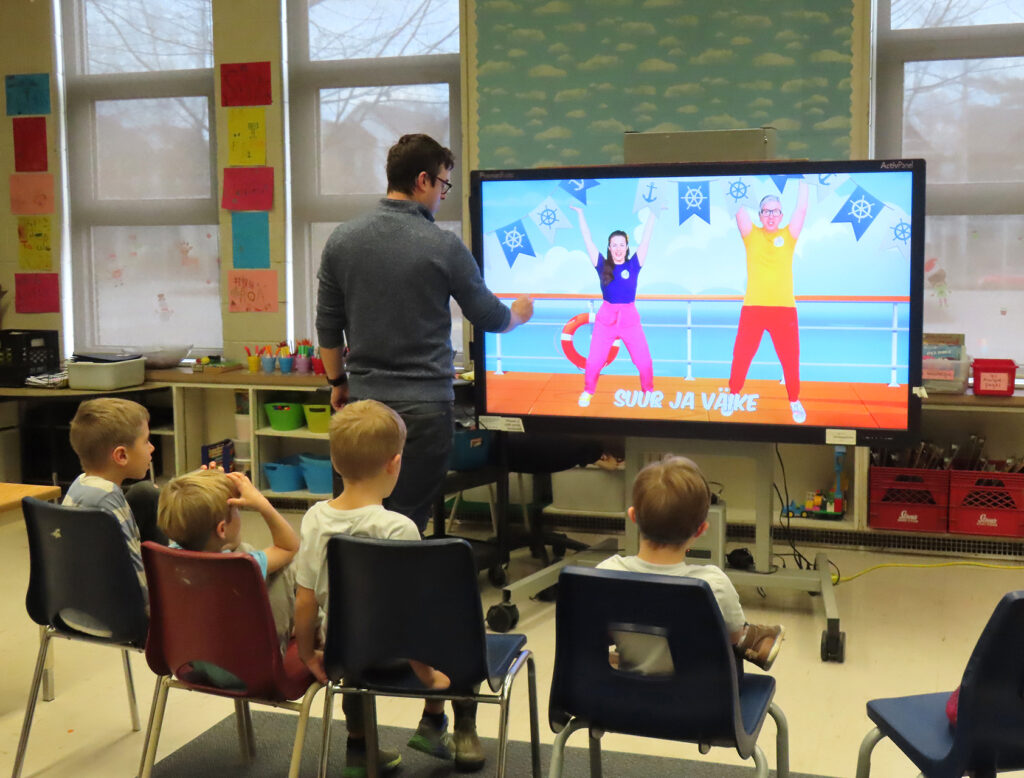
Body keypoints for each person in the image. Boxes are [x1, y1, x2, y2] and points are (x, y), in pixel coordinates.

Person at [316, 132, 533, 535]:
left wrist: (338, 382)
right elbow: (488, 316)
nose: (442, 195)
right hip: (425, 411)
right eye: (443, 184)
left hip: (365, 408)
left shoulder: (342, 240)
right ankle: (399, 576)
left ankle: (356, 577)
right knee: (405, 522)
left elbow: (328, 327)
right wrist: (517, 315)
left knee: (356, 519)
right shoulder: (442, 245)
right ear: (422, 180)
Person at [294, 400, 458, 777]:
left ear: (334, 462)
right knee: (457, 631)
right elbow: (413, 613)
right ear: (394, 463)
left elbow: (305, 600)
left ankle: (358, 750)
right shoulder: (399, 528)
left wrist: (308, 653)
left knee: (354, 664)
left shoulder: (315, 519)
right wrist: (427, 675)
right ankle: (435, 723)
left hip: (345, 650)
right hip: (398, 654)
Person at [596, 455, 784, 673]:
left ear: (633, 517)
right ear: (701, 529)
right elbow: (733, 638)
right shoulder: (712, 584)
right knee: (735, 636)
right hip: (698, 694)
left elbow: (598, 633)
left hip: (623, 690)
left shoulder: (606, 573)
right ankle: (756, 638)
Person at [156, 468, 300, 676]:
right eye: (236, 510)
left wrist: (204, 485)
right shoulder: (241, 565)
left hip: (189, 664)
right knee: (284, 567)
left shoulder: (167, 558)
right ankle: (309, 633)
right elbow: (289, 546)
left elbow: (189, 513)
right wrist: (262, 503)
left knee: (245, 549)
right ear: (222, 529)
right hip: (250, 673)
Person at [63, 397, 165, 634]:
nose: (152, 448)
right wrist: (164, 613)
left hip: (68, 608)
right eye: (146, 441)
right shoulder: (109, 500)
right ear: (121, 456)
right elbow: (136, 573)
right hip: (115, 618)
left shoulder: (80, 484)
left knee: (145, 493)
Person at [730, 179, 809, 423]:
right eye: (766, 211)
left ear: (781, 215)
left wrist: (804, 178)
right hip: (753, 308)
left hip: (784, 310)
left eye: (775, 211)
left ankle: (794, 401)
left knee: (790, 358)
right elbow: (736, 205)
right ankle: (733, 395)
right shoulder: (751, 235)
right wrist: (731, 177)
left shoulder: (789, 235)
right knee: (742, 355)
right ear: (760, 215)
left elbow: (802, 209)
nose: (771, 216)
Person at [569, 205, 657, 408]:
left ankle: (648, 391)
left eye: (621, 245)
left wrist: (653, 213)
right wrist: (581, 215)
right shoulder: (602, 265)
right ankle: (588, 391)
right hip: (606, 319)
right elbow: (587, 239)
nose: (618, 248)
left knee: (644, 361)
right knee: (594, 361)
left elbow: (646, 239)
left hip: (629, 319)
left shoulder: (634, 265)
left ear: (627, 247)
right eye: (614, 245)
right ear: (609, 248)